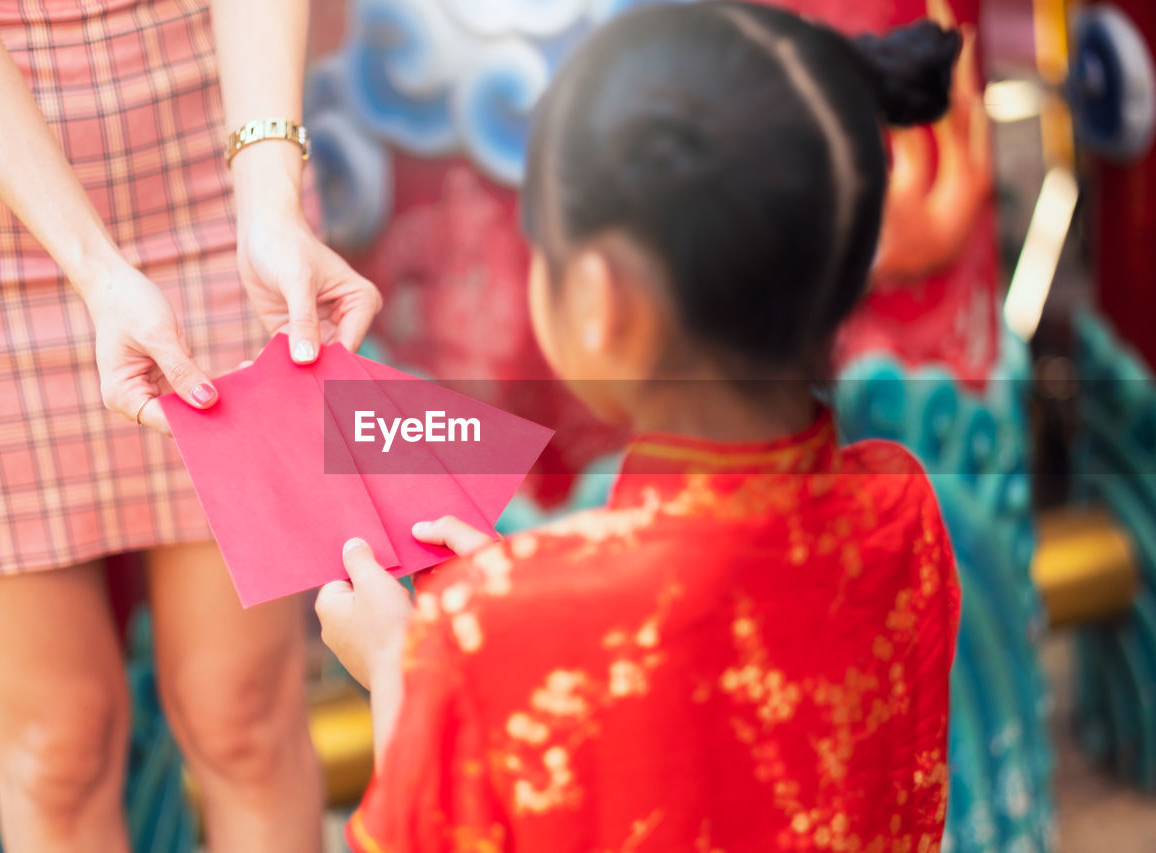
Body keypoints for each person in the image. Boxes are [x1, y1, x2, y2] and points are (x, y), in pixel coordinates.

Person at [315, 3, 963, 850]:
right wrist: (519, 607)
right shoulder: (899, 509)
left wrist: (406, 666)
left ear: (598, 297)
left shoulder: (485, 630)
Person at [0, 1, 378, 851]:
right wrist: (96, 268)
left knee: (243, 714)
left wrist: (268, 198)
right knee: (55, 750)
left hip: (208, 151)